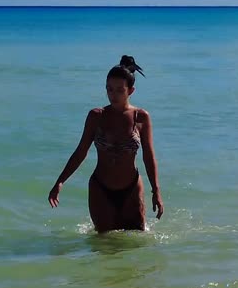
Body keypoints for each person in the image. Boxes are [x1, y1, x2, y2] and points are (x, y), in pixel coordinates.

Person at [49, 55, 163, 232]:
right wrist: (60, 182)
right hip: (100, 189)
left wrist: (156, 191)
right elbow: (81, 151)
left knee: (138, 239)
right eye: (109, 89)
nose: (113, 95)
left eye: (119, 90)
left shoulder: (141, 117)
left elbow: (148, 156)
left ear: (130, 91)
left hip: (132, 187)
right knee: (104, 242)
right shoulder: (96, 116)